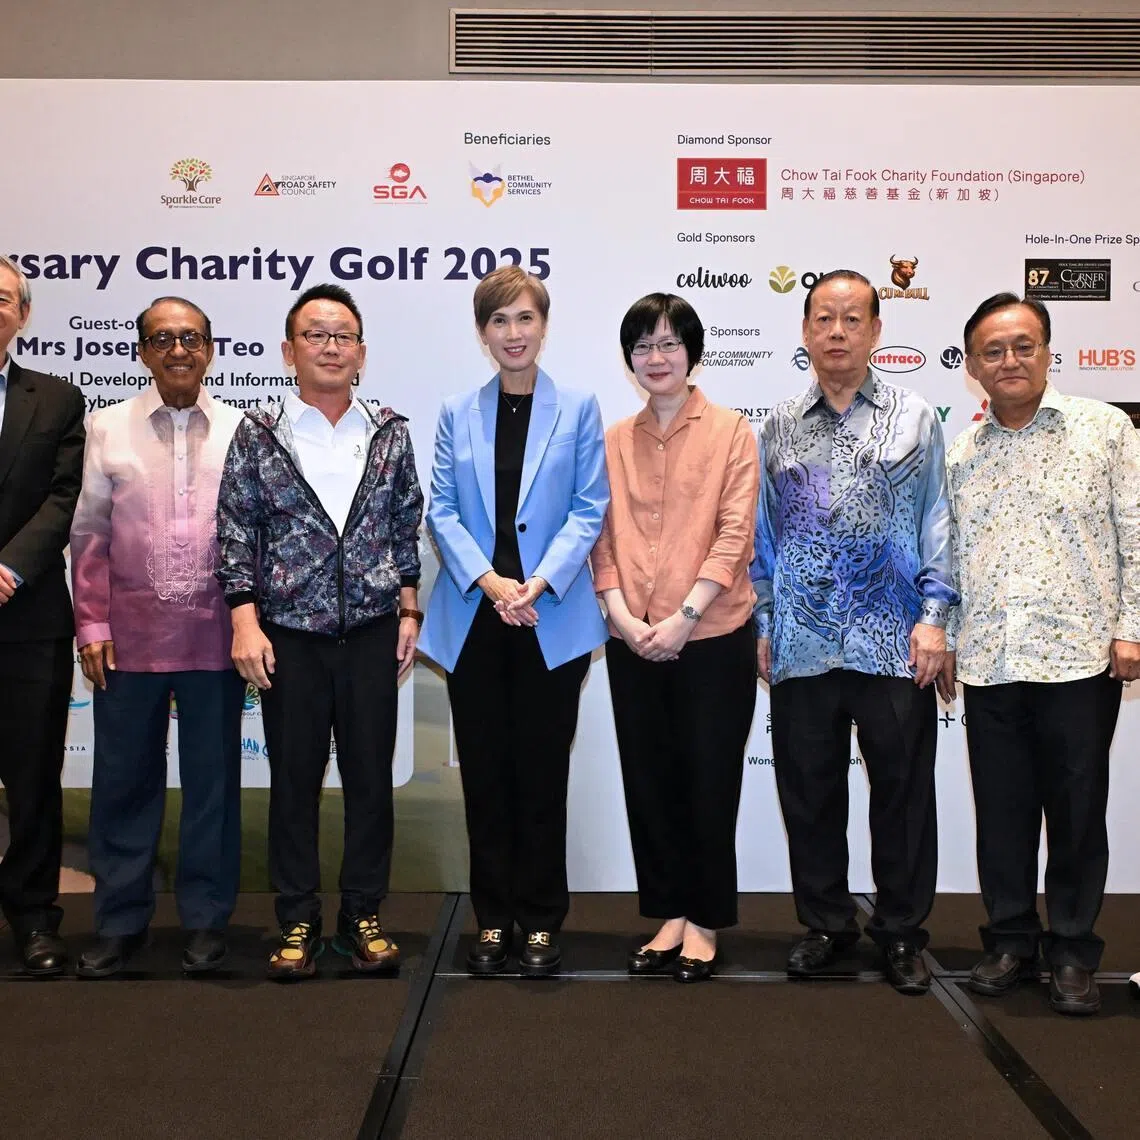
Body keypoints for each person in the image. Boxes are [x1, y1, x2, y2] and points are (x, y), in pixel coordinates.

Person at [752, 269, 957, 995]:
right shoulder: (776, 424)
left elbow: (939, 519)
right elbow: (763, 538)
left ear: (876, 331)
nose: (836, 332)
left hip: (893, 641)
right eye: (823, 318)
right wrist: (767, 621)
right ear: (805, 331)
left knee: (901, 795)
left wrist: (935, 621)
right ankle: (828, 926)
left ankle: (901, 932)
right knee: (807, 793)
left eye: (851, 319)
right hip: (804, 641)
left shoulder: (915, 417)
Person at [937, 292, 1140, 1016]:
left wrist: (1132, 627)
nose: (1009, 360)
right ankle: (1012, 941)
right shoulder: (961, 453)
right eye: (993, 351)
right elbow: (952, 558)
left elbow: (1135, 531)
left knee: (1079, 813)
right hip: (991, 660)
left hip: (1081, 657)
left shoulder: (1106, 430)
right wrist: (950, 640)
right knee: (1004, 812)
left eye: (1023, 345)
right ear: (973, 368)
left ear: (1049, 352)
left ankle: (1075, 949)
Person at [216, 283, 423, 981]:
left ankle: (364, 915)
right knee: (294, 782)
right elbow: (236, 529)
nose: (330, 346)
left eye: (343, 336)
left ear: (361, 353)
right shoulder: (260, 432)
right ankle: (297, 920)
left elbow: (405, 525)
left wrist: (410, 612)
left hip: (370, 633)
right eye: (316, 334)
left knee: (370, 782)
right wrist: (245, 619)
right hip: (288, 637)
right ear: (288, 351)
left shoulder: (390, 431)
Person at [419, 267, 608, 976]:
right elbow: (442, 509)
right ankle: (491, 917)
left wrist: (538, 582)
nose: (513, 333)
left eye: (525, 318)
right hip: (475, 618)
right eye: (499, 321)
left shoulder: (579, 406)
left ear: (544, 325)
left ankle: (541, 918)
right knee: (487, 780)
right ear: (482, 333)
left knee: (540, 777)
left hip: (549, 616)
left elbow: (589, 506)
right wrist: (494, 582)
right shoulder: (456, 411)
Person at [70, 296, 245, 977]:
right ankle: (119, 923)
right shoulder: (106, 428)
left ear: (210, 349)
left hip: (215, 639)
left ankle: (205, 920)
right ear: (142, 352)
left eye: (192, 338)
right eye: (163, 339)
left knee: (212, 789)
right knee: (122, 785)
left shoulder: (243, 429)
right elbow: (88, 537)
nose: (178, 350)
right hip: (127, 641)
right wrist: (92, 622)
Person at [591, 292, 758, 983]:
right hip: (633, 641)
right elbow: (597, 538)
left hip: (713, 637)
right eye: (643, 346)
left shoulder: (732, 432)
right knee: (651, 781)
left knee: (708, 782)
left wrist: (684, 618)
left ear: (693, 352)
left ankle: (705, 920)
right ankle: (667, 911)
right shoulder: (611, 441)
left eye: (669, 343)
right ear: (629, 361)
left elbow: (734, 533)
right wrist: (622, 618)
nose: (656, 358)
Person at [0, 255, 85, 976]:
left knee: (32, 777)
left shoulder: (55, 399)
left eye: (4, 299)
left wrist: (7, 567)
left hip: (26, 616)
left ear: (23, 315)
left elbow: (63, 499)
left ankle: (33, 918)